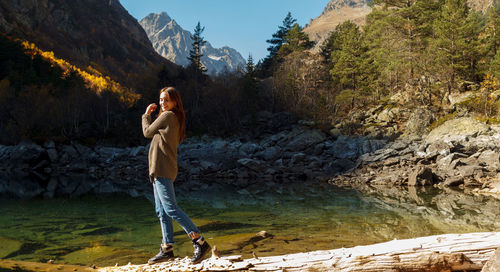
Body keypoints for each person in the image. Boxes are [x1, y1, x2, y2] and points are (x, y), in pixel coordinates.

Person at [142, 86, 210, 265]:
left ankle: (199, 242)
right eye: (161, 100)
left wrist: (146, 115)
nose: (163, 103)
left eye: (166, 100)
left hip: (162, 169)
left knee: (170, 209)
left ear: (174, 102)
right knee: (161, 211)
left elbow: (147, 132)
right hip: (160, 170)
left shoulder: (167, 116)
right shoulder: (173, 118)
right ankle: (167, 249)